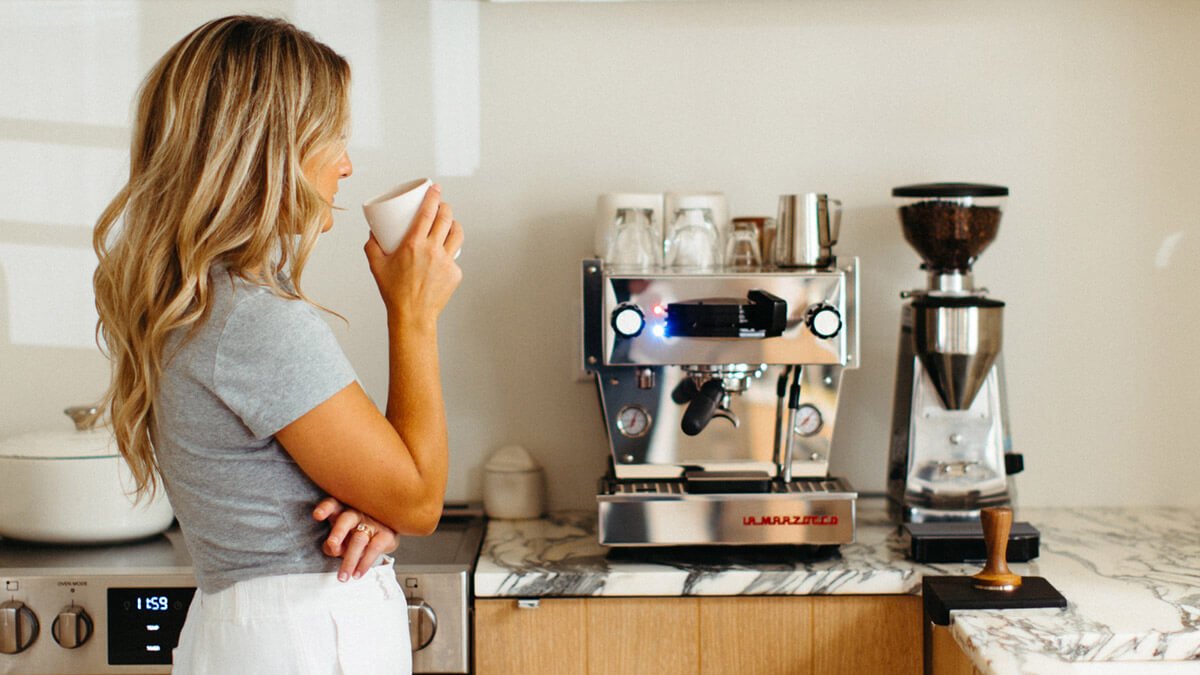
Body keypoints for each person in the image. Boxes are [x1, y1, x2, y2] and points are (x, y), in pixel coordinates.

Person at [91, 15, 463, 674]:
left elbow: (373, 495)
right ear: (271, 151)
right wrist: (414, 314)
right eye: (334, 140)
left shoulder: (201, 303)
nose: (346, 166)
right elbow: (420, 498)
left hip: (253, 634)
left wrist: (376, 510)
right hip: (305, 643)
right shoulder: (253, 323)